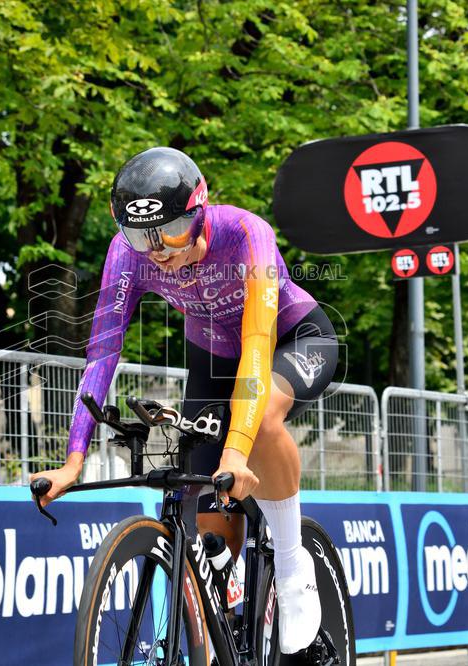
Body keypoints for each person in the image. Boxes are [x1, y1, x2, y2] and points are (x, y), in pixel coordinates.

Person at [31, 147, 339, 654]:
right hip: (213, 356)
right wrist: (73, 461)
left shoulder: (246, 234)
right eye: (140, 236)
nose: (158, 250)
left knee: (257, 422)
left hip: (292, 340)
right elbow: (103, 350)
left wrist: (237, 451)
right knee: (202, 498)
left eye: (170, 232)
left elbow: (258, 347)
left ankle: (290, 562)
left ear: (197, 212)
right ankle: (223, 605)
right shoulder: (126, 254)